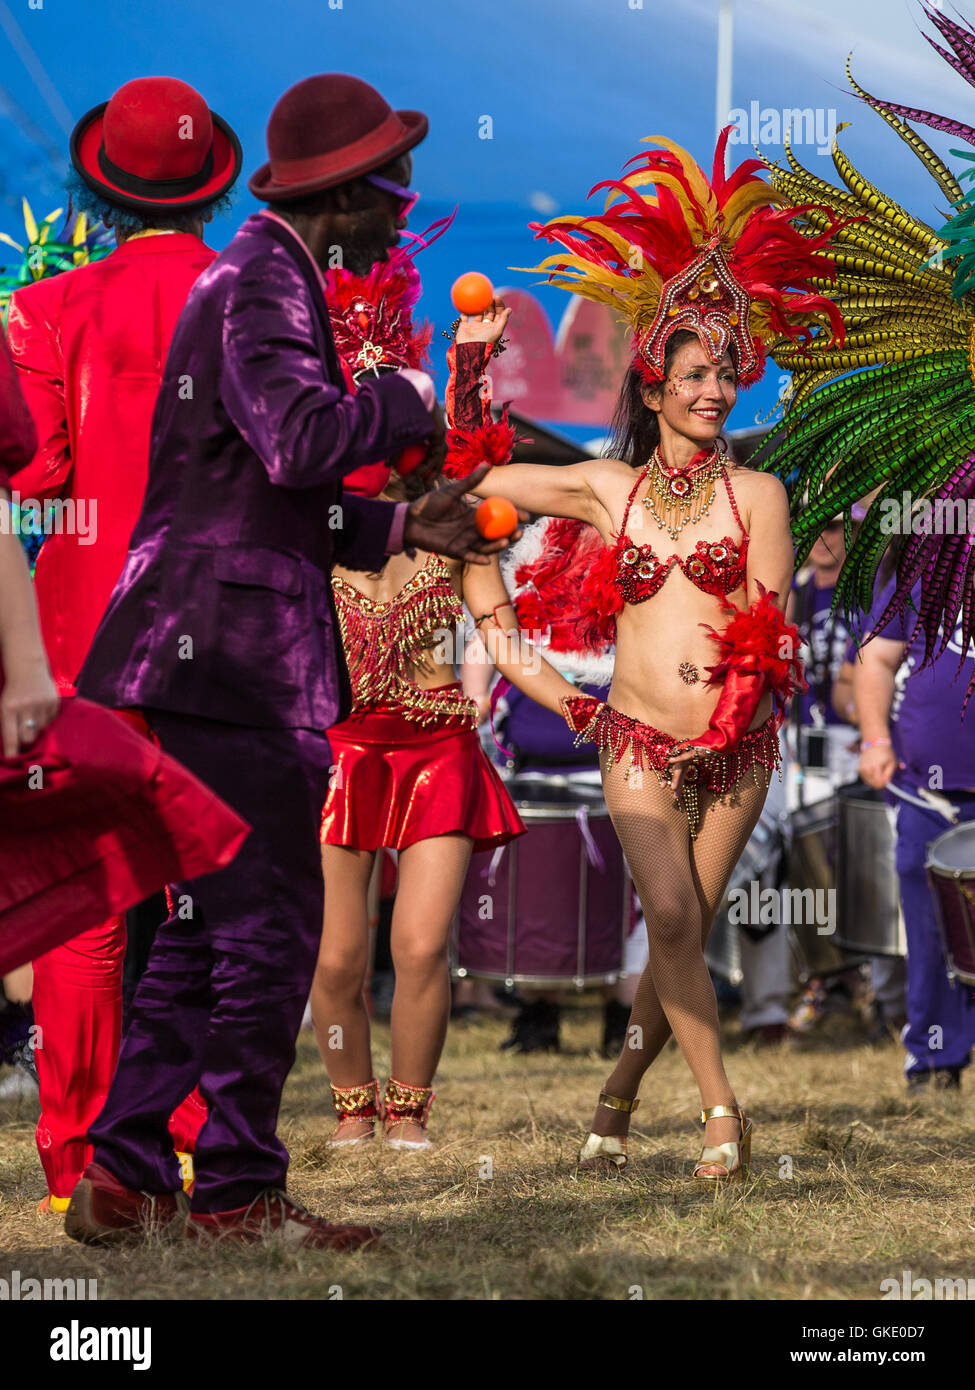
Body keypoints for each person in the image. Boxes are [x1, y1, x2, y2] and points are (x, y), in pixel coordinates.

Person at [65, 73, 516, 1251]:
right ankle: (237, 1193)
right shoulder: (266, 276)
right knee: (267, 926)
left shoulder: (263, 273)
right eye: (393, 179)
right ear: (348, 192)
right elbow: (300, 439)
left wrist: (404, 528)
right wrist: (409, 392)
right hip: (231, 654)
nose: (406, 198)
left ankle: (122, 1174)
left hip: (200, 640)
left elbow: (262, 492)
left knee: (209, 923)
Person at [458, 131, 846, 1176]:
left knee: (681, 937)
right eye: (695, 372)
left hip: (738, 748)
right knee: (671, 912)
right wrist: (467, 372)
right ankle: (724, 1112)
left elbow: (766, 623)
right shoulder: (605, 488)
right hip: (632, 740)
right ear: (656, 380)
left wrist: (732, 721)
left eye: (727, 373)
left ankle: (616, 1099)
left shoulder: (759, 493)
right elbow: (477, 477)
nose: (715, 390)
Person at [5, 75, 242, 1213]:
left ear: (103, 188)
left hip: (75, 635)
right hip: (220, 633)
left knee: (87, 898)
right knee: (202, 891)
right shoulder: (251, 300)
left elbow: (33, 473)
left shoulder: (47, 312)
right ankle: (184, 1142)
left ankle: (78, 1155)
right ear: (214, 189)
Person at [313, 252, 580, 1150]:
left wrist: (575, 704)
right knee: (338, 957)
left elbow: (501, 638)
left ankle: (409, 1110)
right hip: (337, 751)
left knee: (423, 947)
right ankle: (351, 1111)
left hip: (435, 753)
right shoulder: (313, 525)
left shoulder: (456, 520)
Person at [853, 578, 975, 1088]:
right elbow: (876, 659)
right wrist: (876, 738)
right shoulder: (924, 566)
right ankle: (933, 1058)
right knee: (930, 926)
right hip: (926, 789)